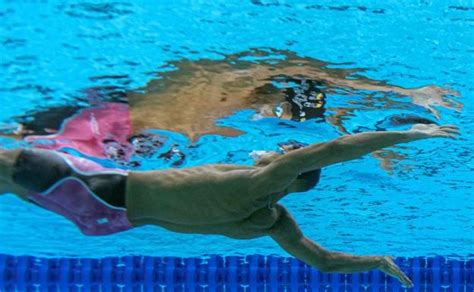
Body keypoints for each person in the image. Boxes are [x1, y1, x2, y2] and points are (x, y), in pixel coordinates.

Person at [0, 123, 460, 286]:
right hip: (106, 220)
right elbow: (322, 262)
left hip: (100, 190)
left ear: (288, 168)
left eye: (283, 156)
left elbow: (333, 150)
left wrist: (410, 134)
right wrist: (377, 261)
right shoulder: (272, 220)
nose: (275, 155)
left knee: (8, 161)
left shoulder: (259, 180)